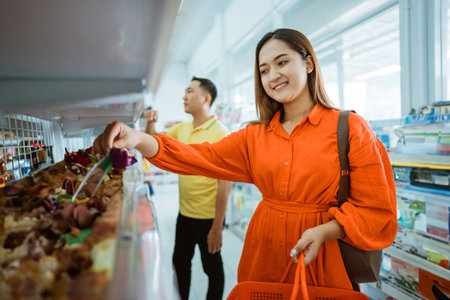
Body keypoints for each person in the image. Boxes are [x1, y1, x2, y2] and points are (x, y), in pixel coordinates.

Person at [93, 29, 397, 291]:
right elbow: (201, 157)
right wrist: (139, 138)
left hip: (324, 257)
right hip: (263, 253)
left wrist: (326, 230)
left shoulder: (350, 128)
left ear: (308, 63)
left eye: (282, 62)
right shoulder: (255, 135)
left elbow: (378, 211)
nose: (273, 75)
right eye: (264, 70)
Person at [143, 77, 230, 300]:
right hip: (185, 214)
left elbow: (224, 184)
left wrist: (217, 227)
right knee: (179, 264)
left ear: (206, 98)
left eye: (190, 91)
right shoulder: (182, 128)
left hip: (208, 218)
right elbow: (155, 142)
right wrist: (150, 123)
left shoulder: (220, 133)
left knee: (212, 270)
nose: (184, 96)